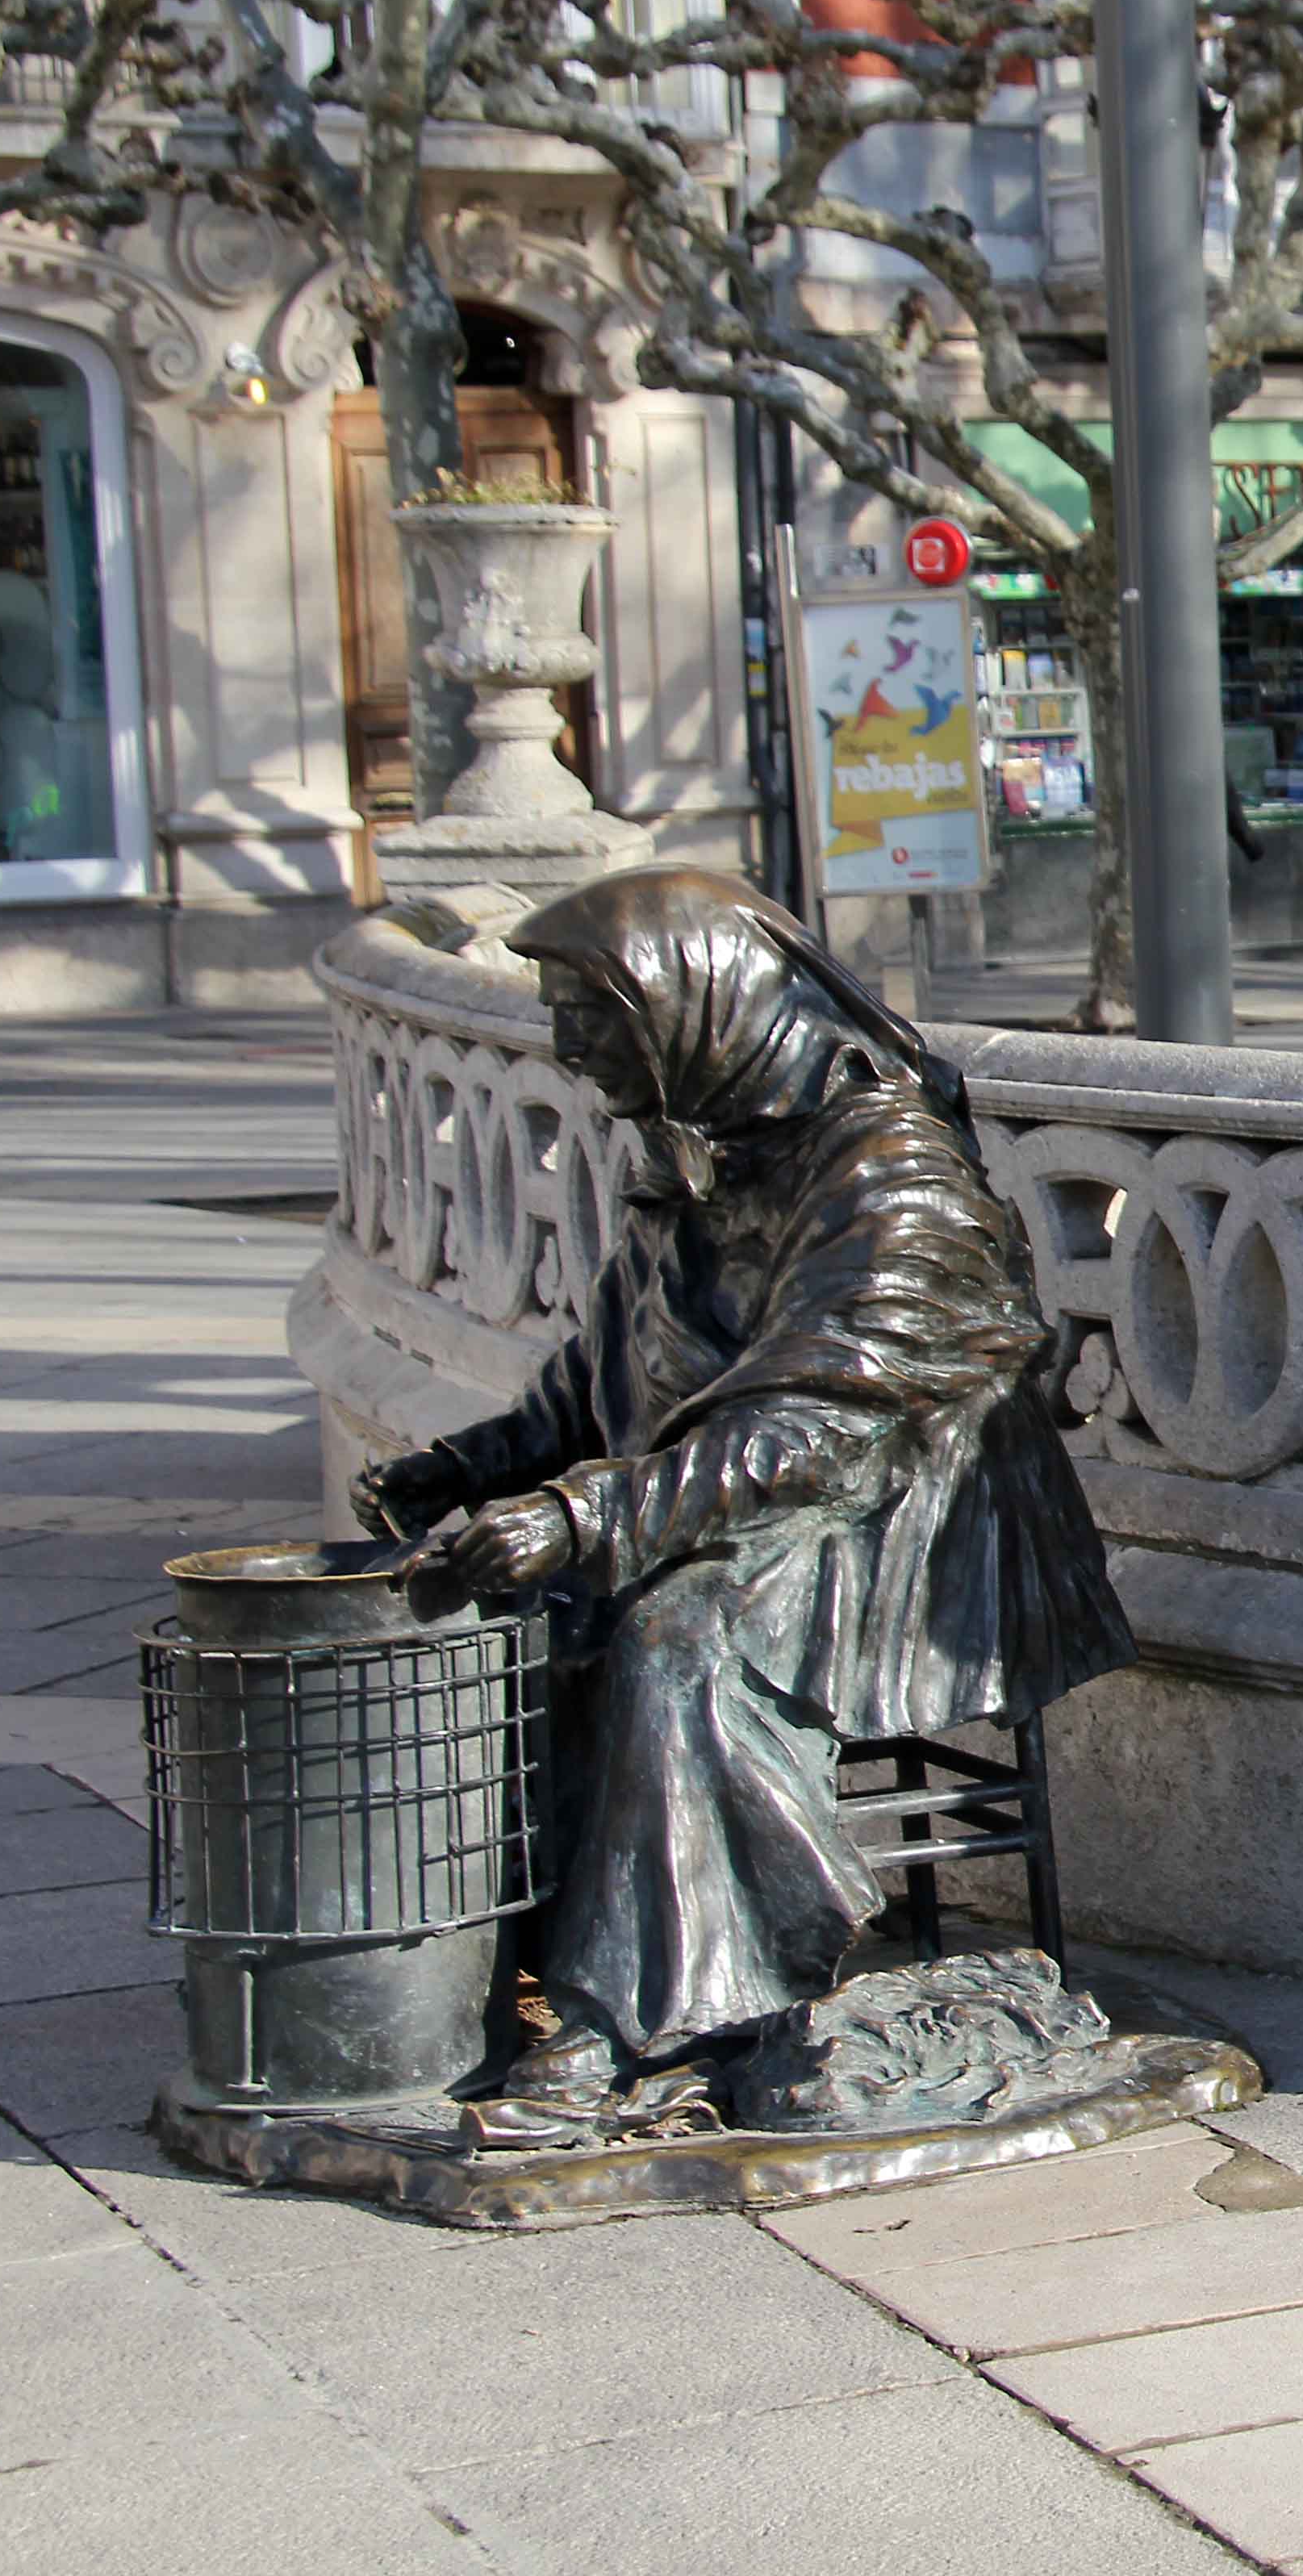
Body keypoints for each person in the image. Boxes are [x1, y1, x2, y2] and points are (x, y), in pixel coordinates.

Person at [354, 864, 1135, 2101]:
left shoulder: (892, 1171)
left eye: (589, 1018)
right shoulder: (707, 1149)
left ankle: (670, 2014)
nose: (567, 1048)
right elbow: (612, 1364)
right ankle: (536, 1959)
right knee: (540, 1622)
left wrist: (582, 1517)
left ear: (687, 1002)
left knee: (678, 1635)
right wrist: (468, 1469)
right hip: (755, 1496)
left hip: (916, 1532)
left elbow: (820, 1425)